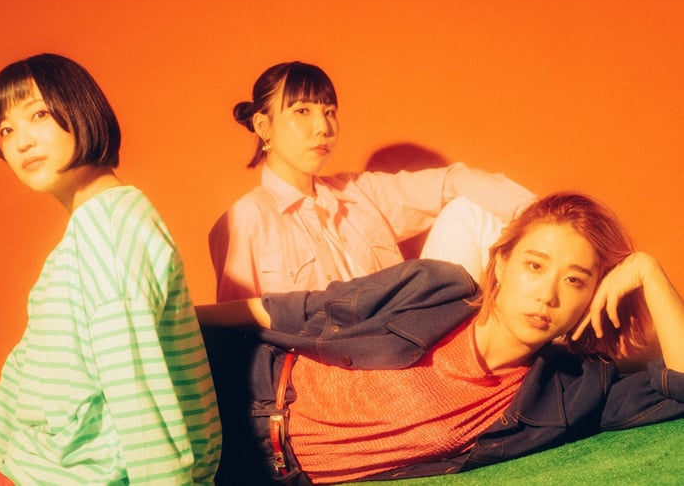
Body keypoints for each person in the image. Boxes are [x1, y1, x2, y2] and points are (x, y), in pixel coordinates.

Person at [196, 192, 683, 485]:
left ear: (592, 295)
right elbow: (291, 310)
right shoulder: (434, 287)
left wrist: (648, 270)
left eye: (575, 280)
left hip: (260, 474)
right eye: (535, 266)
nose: (548, 295)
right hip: (235, 388)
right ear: (501, 263)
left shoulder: (574, 391)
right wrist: (178, 323)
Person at [0, 54, 221, 485]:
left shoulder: (109, 228)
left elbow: (138, 390)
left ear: (81, 109)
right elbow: (17, 389)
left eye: (38, 115)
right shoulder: (83, 238)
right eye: (6, 129)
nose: (21, 141)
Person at [208, 60, 536, 302]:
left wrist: (548, 223)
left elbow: (453, 180)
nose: (323, 127)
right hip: (328, 364)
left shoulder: (359, 194)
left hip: (408, 338)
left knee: (470, 210)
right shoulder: (246, 219)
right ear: (263, 126)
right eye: (302, 111)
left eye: (329, 112)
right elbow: (236, 334)